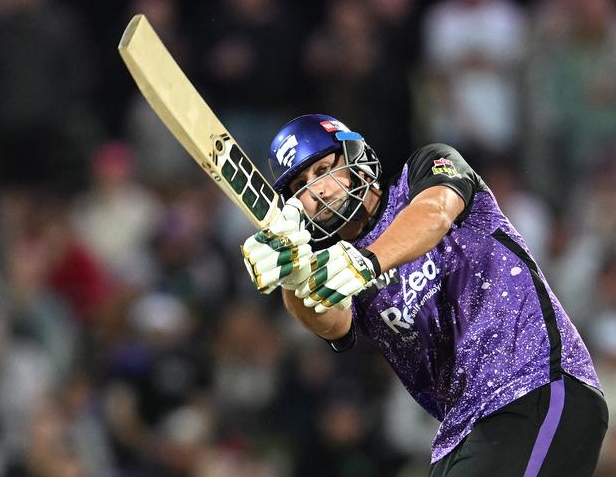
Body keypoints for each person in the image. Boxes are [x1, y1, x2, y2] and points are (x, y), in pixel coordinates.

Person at [240, 114, 608, 476]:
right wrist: (294, 277)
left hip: (538, 386)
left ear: (355, 156)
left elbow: (435, 213)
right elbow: (330, 322)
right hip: (460, 432)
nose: (316, 191)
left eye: (322, 171)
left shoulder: (424, 168)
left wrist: (364, 263)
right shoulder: (335, 263)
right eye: (301, 187)